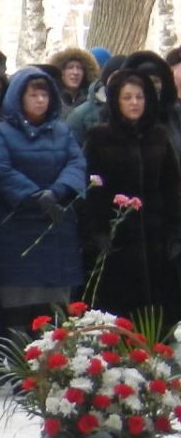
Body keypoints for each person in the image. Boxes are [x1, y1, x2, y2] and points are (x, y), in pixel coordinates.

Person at [0, 66, 88, 330]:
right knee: (18, 315)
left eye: (45, 95)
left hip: (55, 229)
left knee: (55, 317)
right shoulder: (1, 132)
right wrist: (33, 195)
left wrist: (57, 191)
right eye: (33, 95)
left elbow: (76, 163)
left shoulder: (62, 132)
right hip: (17, 228)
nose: (41, 100)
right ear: (19, 97)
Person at [77, 66, 181, 326]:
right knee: (119, 314)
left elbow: (172, 186)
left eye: (140, 97)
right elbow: (91, 189)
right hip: (117, 240)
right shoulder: (99, 137)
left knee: (158, 315)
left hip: (157, 241)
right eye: (127, 97)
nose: (135, 103)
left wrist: (175, 232)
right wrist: (97, 233)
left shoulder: (159, 136)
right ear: (115, 100)